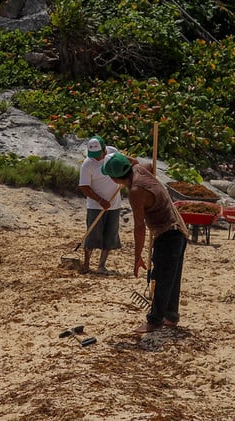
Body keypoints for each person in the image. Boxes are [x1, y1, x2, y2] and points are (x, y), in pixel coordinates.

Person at [101, 152, 189, 334]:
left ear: (115, 179)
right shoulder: (139, 169)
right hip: (179, 229)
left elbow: (139, 227)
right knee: (171, 277)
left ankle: (154, 321)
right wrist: (130, 161)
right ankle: (171, 316)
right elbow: (147, 165)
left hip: (168, 233)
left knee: (161, 277)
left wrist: (137, 257)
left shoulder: (136, 192)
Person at [78, 136, 122, 274]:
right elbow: (84, 187)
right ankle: (86, 264)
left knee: (110, 236)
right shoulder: (87, 164)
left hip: (114, 203)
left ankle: (101, 265)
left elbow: (122, 165)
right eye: (93, 155)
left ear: (104, 149)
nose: (96, 158)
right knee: (92, 236)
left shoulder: (113, 153)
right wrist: (100, 200)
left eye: (99, 155)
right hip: (95, 206)